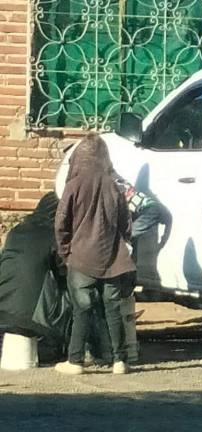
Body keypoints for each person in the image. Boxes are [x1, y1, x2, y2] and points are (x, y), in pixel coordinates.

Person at [54, 133, 136, 375]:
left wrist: (65, 252)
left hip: (80, 258)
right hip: (113, 258)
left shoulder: (73, 185)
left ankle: (75, 360)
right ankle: (120, 361)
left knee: (82, 309)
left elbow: (61, 224)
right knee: (113, 309)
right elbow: (126, 225)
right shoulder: (114, 185)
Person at [0, 192, 70, 362]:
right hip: (33, 318)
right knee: (78, 290)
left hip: (2, 308)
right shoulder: (55, 236)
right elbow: (64, 273)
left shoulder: (16, 231)